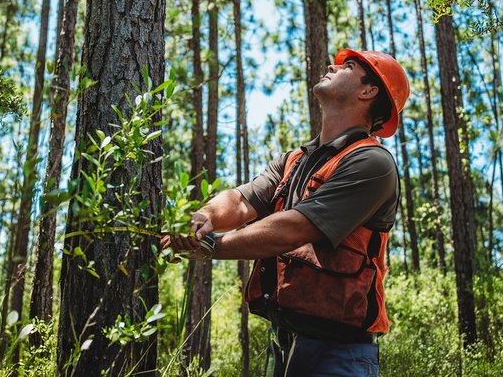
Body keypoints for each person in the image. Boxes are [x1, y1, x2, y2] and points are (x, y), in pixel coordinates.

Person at [162, 49, 410, 377]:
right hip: (283, 346)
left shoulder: (372, 163)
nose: (332, 65)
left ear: (368, 91)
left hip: (339, 354)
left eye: (348, 66)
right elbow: (241, 201)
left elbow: (295, 228)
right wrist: (204, 218)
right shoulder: (293, 160)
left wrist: (212, 246)